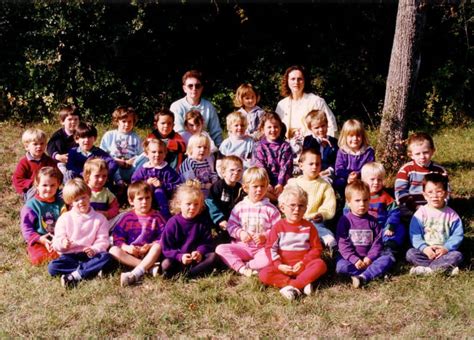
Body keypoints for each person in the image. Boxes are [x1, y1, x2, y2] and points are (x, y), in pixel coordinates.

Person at [259, 185, 327, 300]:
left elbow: (317, 249)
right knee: (264, 274)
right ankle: (300, 283)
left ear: (306, 208)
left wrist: (303, 262)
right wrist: (279, 265)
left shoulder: (309, 227)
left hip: (303, 266)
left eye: (301, 206)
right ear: (282, 207)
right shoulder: (278, 227)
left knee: (320, 265)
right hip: (284, 268)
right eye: (292, 205)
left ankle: (293, 287)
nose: (297, 209)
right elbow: (270, 248)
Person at [48, 178, 113, 288]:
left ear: (89, 196)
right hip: (70, 256)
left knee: (106, 257)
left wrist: (94, 249)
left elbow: (103, 240)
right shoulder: (64, 218)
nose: (81, 201)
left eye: (83, 197)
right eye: (76, 200)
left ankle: (75, 276)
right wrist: (63, 243)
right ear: (70, 202)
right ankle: (90, 270)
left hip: (90, 255)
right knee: (52, 267)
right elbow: (57, 240)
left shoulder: (99, 219)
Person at [215, 167, 280, 277]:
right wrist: (240, 233)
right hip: (243, 246)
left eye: (262, 186)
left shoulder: (271, 209)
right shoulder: (239, 207)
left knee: (271, 257)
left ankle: (248, 266)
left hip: (262, 248)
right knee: (220, 249)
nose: (259, 190)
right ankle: (242, 268)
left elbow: (278, 230)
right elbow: (231, 225)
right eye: (255, 186)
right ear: (245, 188)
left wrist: (265, 235)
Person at [335, 180, 395, 288]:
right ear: (348, 202)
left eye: (365, 200)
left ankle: (363, 277)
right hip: (351, 260)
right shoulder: (344, 221)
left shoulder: (373, 220)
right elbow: (343, 244)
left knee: (388, 259)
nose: (362, 204)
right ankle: (372, 274)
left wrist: (370, 257)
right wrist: (354, 259)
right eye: (357, 201)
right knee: (341, 267)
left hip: (369, 259)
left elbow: (377, 243)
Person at [109, 181, 167, 286]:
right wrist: (126, 247)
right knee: (113, 250)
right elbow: (117, 237)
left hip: (149, 253)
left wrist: (150, 245)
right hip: (131, 254)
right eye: (140, 199)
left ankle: (135, 273)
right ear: (131, 201)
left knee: (157, 247)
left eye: (147, 198)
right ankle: (148, 268)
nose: (144, 202)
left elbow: (164, 236)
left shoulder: (157, 217)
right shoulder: (127, 218)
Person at [406, 173, 463, 276]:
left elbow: (457, 235)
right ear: (424, 194)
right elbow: (415, 235)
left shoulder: (452, 215)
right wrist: (424, 248)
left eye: (439, 192)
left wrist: (446, 248)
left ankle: (426, 269)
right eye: (430, 192)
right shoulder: (420, 213)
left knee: (457, 255)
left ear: (446, 194)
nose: (434, 196)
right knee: (410, 253)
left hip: (444, 252)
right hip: (426, 251)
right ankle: (443, 269)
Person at [160, 181, 220, 279]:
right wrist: (180, 256)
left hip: (196, 259)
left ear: (201, 205)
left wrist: (200, 252)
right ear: (179, 204)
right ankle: (184, 273)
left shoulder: (202, 222)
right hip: (178, 259)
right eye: (188, 204)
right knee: (166, 264)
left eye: (196, 204)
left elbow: (207, 242)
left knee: (213, 257)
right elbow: (167, 248)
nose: (192, 208)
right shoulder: (173, 222)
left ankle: (190, 274)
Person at [287, 149, 337, 249]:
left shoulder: (324, 185)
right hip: (296, 219)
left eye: (317, 164)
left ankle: (325, 243)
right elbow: (284, 200)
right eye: (311, 164)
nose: (314, 167)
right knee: (289, 231)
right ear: (301, 165)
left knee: (324, 233)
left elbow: (329, 204)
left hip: (314, 220)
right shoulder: (293, 183)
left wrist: (322, 214)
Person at [394, 132, 448, 224]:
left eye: (426, 152)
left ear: (432, 151)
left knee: (444, 217)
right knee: (404, 214)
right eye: (418, 154)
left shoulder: (439, 170)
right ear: (411, 155)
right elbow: (400, 192)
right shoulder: (406, 169)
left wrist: (438, 205)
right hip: (411, 206)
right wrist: (415, 207)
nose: (422, 157)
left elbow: (446, 191)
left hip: (434, 204)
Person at [275, 65, 337, 139]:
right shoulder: (282, 105)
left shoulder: (316, 101)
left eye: (299, 79)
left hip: (313, 147)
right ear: (287, 81)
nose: (296, 82)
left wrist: (325, 145)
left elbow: (331, 125)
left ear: (305, 81)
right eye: (293, 79)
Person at [20, 167, 63, 265]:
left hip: (59, 238)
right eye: (44, 185)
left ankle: (59, 254)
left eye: (53, 185)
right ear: (37, 185)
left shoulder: (61, 203)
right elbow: (26, 229)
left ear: (58, 185)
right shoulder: (31, 206)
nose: (48, 189)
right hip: (40, 239)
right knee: (38, 258)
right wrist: (40, 239)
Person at [360, 162, 405, 254]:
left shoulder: (385, 196)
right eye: (372, 179)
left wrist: (390, 225)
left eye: (379, 180)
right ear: (364, 180)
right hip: (363, 228)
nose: (376, 182)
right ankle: (365, 248)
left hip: (382, 227)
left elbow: (394, 212)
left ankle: (389, 247)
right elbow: (348, 211)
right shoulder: (358, 194)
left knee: (400, 228)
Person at [170, 70, 223, 147]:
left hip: (203, 147)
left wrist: (220, 152)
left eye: (197, 86)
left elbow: (216, 132)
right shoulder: (176, 106)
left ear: (201, 88)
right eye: (190, 86)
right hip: (183, 146)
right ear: (184, 88)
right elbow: (179, 132)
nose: (194, 89)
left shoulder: (208, 107)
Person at [131, 139, 181, 219]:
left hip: (164, 201)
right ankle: (141, 214)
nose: (157, 155)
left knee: (159, 191)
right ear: (147, 154)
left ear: (165, 154)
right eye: (153, 152)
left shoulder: (168, 171)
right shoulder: (143, 169)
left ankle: (165, 217)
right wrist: (145, 183)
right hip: (145, 200)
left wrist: (163, 185)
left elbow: (178, 185)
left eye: (160, 152)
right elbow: (134, 183)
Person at [251, 112, 293, 201]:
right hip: (264, 182)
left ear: (280, 128)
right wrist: (266, 183)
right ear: (262, 129)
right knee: (257, 189)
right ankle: (275, 200)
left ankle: (278, 200)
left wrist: (280, 184)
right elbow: (260, 166)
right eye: (269, 127)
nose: (273, 130)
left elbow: (285, 166)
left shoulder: (285, 146)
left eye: (276, 127)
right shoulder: (258, 146)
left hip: (282, 183)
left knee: (292, 190)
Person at [99, 106, 143, 184]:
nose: (127, 124)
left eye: (130, 122)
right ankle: (119, 183)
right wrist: (116, 160)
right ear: (117, 121)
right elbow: (102, 154)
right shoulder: (110, 135)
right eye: (124, 121)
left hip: (131, 168)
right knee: (108, 162)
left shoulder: (136, 137)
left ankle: (134, 182)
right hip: (115, 168)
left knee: (146, 156)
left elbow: (141, 154)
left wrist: (133, 160)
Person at [13, 128, 57, 201]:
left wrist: (54, 182)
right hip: (32, 189)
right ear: (27, 147)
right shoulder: (24, 162)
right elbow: (17, 179)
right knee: (35, 193)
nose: (39, 146)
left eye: (42, 143)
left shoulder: (49, 161)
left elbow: (57, 175)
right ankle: (33, 209)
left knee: (63, 194)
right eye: (35, 144)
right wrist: (33, 183)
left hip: (49, 187)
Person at [205, 155, 245, 236]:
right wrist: (220, 219)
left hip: (234, 220)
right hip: (218, 220)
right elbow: (210, 203)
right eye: (232, 170)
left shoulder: (240, 188)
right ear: (223, 172)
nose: (236, 173)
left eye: (239, 170)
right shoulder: (218, 186)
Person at [334, 119, 375, 197]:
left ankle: (367, 199)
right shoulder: (342, 151)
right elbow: (338, 169)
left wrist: (358, 174)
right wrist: (348, 176)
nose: (355, 139)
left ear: (362, 136)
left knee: (371, 182)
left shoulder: (368, 151)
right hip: (346, 178)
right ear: (345, 137)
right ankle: (344, 199)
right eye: (351, 136)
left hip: (362, 177)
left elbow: (370, 167)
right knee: (338, 182)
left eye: (358, 135)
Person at [303, 109, 338, 183]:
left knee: (326, 183)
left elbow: (336, 160)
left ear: (327, 125)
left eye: (323, 126)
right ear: (310, 128)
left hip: (327, 173)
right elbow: (307, 154)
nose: (321, 129)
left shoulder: (334, 142)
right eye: (317, 128)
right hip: (312, 171)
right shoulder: (308, 140)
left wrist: (329, 170)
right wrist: (319, 141)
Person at [46, 105, 80, 177]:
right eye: (70, 119)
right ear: (62, 122)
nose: (73, 122)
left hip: (78, 161)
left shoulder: (81, 134)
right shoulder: (58, 135)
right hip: (62, 162)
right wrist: (57, 156)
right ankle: (67, 182)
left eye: (76, 119)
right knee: (64, 172)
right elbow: (50, 147)